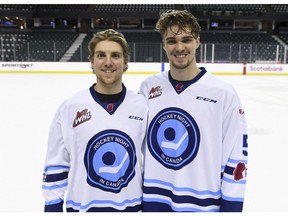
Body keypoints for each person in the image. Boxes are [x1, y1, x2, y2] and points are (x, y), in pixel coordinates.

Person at [139, 10, 248, 212]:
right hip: (154, 203)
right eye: (172, 41)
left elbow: (236, 155)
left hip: (203, 205)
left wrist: (231, 208)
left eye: (186, 39)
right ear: (164, 45)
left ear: (198, 41)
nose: (179, 47)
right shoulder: (149, 88)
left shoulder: (223, 93)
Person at [42, 29, 148, 212]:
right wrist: (53, 208)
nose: (108, 62)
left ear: (125, 63)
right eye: (101, 55)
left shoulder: (142, 106)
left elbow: (154, 162)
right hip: (84, 209)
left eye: (115, 55)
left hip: (132, 209)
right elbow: (56, 163)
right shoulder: (71, 107)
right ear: (92, 62)